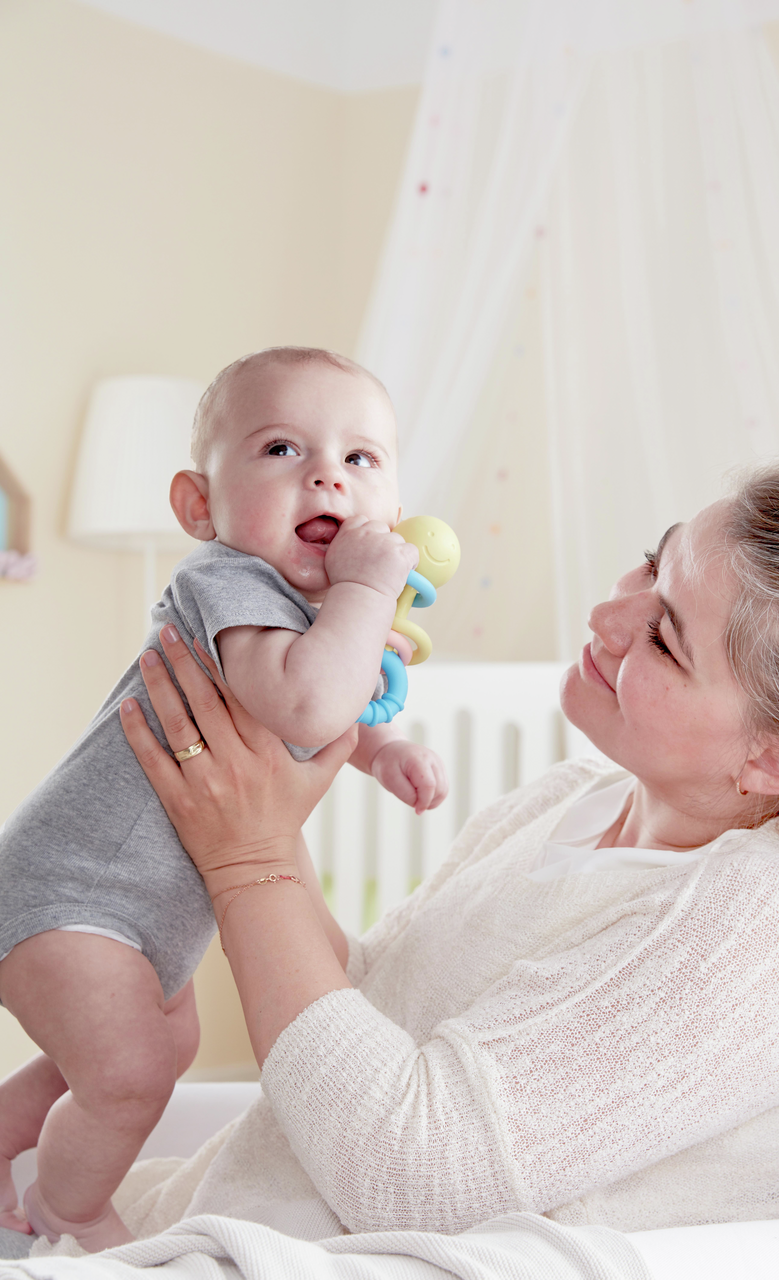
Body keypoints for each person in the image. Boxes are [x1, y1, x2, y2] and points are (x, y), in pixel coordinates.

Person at [48, 455, 779, 1254]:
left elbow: (412, 1171)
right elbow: (360, 1005)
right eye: (650, 561)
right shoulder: (565, 801)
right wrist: (262, 791)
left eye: (665, 641)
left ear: (772, 761)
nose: (609, 613)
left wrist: (249, 859)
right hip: (209, 1221)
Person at [0, 347, 447, 1252]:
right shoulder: (227, 583)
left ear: (392, 511)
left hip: (139, 918)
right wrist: (365, 589)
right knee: (124, 1076)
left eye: (360, 459)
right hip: (70, 897)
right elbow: (305, 701)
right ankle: (69, 1208)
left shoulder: (316, 616)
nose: (326, 472)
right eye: (282, 449)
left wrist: (386, 746)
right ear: (199, 506)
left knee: (146, 1058)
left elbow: (328, 708)